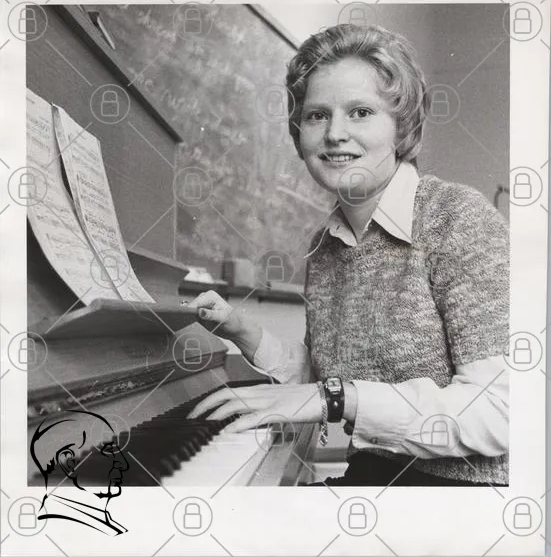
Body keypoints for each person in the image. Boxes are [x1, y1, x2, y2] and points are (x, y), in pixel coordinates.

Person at [186, 24, 509, 487]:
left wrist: (337, 398)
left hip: (467, 494)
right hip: (373, 477)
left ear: (402, 126)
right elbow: (325, 380)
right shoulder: (325, 247)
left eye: (360, 112)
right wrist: (246, 333)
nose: (335, 134)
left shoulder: (458, 218)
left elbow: (501, 411)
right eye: (317, 115)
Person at [30, 410, 129, 534]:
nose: (124, 465)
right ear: (69, 464)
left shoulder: (99, 519)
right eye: (108, 451)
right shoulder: (66, 530)